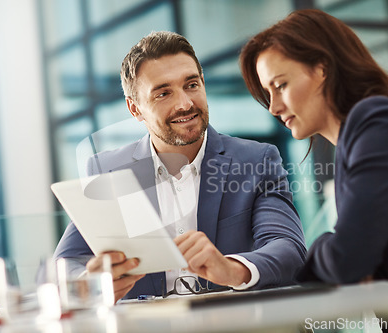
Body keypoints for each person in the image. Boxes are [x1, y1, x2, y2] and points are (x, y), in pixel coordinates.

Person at [53, 31, 306, 303]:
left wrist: (232, 270)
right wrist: (90, 283)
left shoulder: (257, 160)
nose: (185, 104)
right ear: (134, 108)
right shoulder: (107, 169)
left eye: (191, 85)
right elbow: (67, 263)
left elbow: (288, 248)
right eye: (163, 93)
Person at [240, 8, 388, 327]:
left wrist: (323, 245)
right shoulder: (358, 138)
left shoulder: (380, 122)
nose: (274, 107)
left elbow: (348, 258)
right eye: (268, 94)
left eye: (280, 85)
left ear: (322, 68)